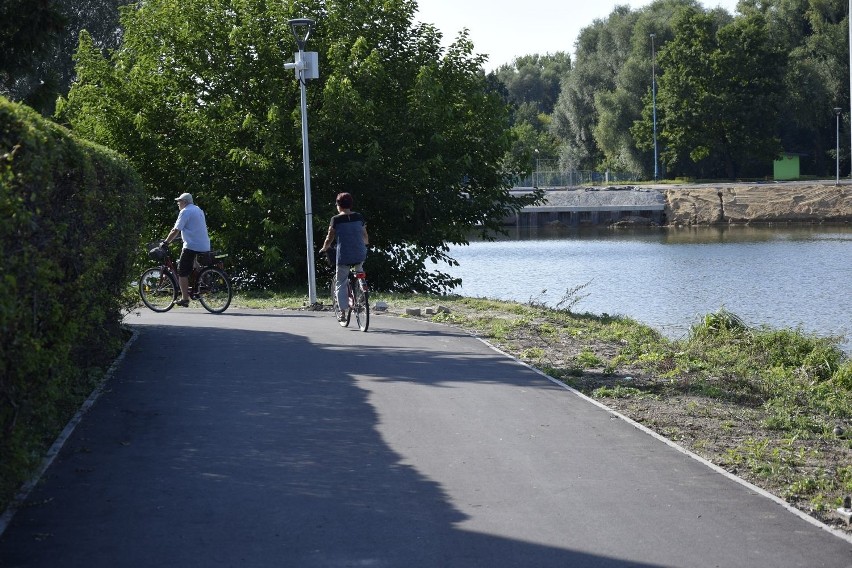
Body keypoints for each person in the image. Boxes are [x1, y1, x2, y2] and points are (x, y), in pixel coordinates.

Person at [319, 192, 369, 321]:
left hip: (344, 255)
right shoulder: (359, 217)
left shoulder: (336, 219)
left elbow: (329, 237)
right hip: (360, 253)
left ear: (338, 205)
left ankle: (342, 312)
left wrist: (324, 248)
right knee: (359, 270)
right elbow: (365, 235)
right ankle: (361, 287)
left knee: (341, 281)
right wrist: (365, 245)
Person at [160, 192, 210, 307]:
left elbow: (175, 230)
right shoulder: (198, 209)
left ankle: (184, 298)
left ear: (185, 202)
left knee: (182, 271)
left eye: (179, 201)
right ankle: (202, 279)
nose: (178, 203)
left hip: (192, 245)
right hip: (204, 244)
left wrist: (166, 242)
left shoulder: (185, 211)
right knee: (193, 262)